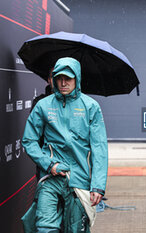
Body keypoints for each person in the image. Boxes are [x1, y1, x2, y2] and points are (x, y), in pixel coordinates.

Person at [22, 57, 108, 233]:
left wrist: (97, 186)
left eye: (68, 78)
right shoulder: (43, 106)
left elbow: (99, 149)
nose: (63, 82)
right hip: (50, 177)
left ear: (77, 79)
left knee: (75, 229)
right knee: (45, 228)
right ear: (53, 78)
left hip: (78, 179)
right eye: (59, 77)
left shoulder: (91, 106)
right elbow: (29, 141)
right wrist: (49, 164)